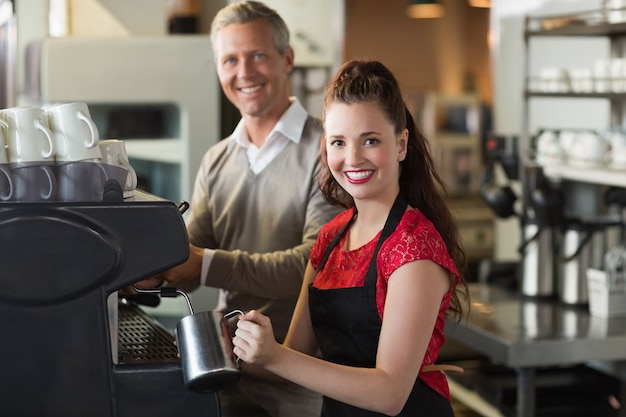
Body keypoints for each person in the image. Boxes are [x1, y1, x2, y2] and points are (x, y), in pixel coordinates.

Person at [231, 59, 470, 417]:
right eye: (339, 142)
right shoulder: (331, 237)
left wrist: (276, 356)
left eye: (370, 140)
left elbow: (389, 394)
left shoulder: (414, 247)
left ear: (401, 145)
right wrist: (235, 347)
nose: (352, 158)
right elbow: (294, 358)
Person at [139, 1, 341, 416]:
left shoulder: (328, 152)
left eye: (258, 56)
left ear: (287, 59)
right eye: (230, 59)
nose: (244, 72)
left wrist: (205, 264)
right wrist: (139, 272)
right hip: (231, 373)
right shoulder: (217, 160)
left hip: (304, 386)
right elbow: (187, 258)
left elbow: (313, 267)